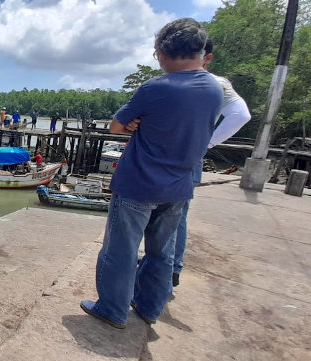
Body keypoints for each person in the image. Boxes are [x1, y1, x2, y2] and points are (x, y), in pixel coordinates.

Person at [79, 18, 223, 329]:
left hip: (138, 184)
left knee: (120, 250)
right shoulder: (215, 88)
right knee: (162, 253)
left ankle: (112, 309)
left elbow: (116, 126)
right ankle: (149, 308)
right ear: (201, 53)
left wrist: (132, 123)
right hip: (179, 186)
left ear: (163, 53)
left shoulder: (156, 88)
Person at [171, 38, 251, 288]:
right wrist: (206, 144)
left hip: (168, 155)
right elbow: (240, 114)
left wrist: (207, 143)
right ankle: (170, 268)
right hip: (189, 158)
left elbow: (242, 116)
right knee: (176, 215)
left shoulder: (207, 82)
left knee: (160, 215)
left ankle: (167, 266)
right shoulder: (218, 85)